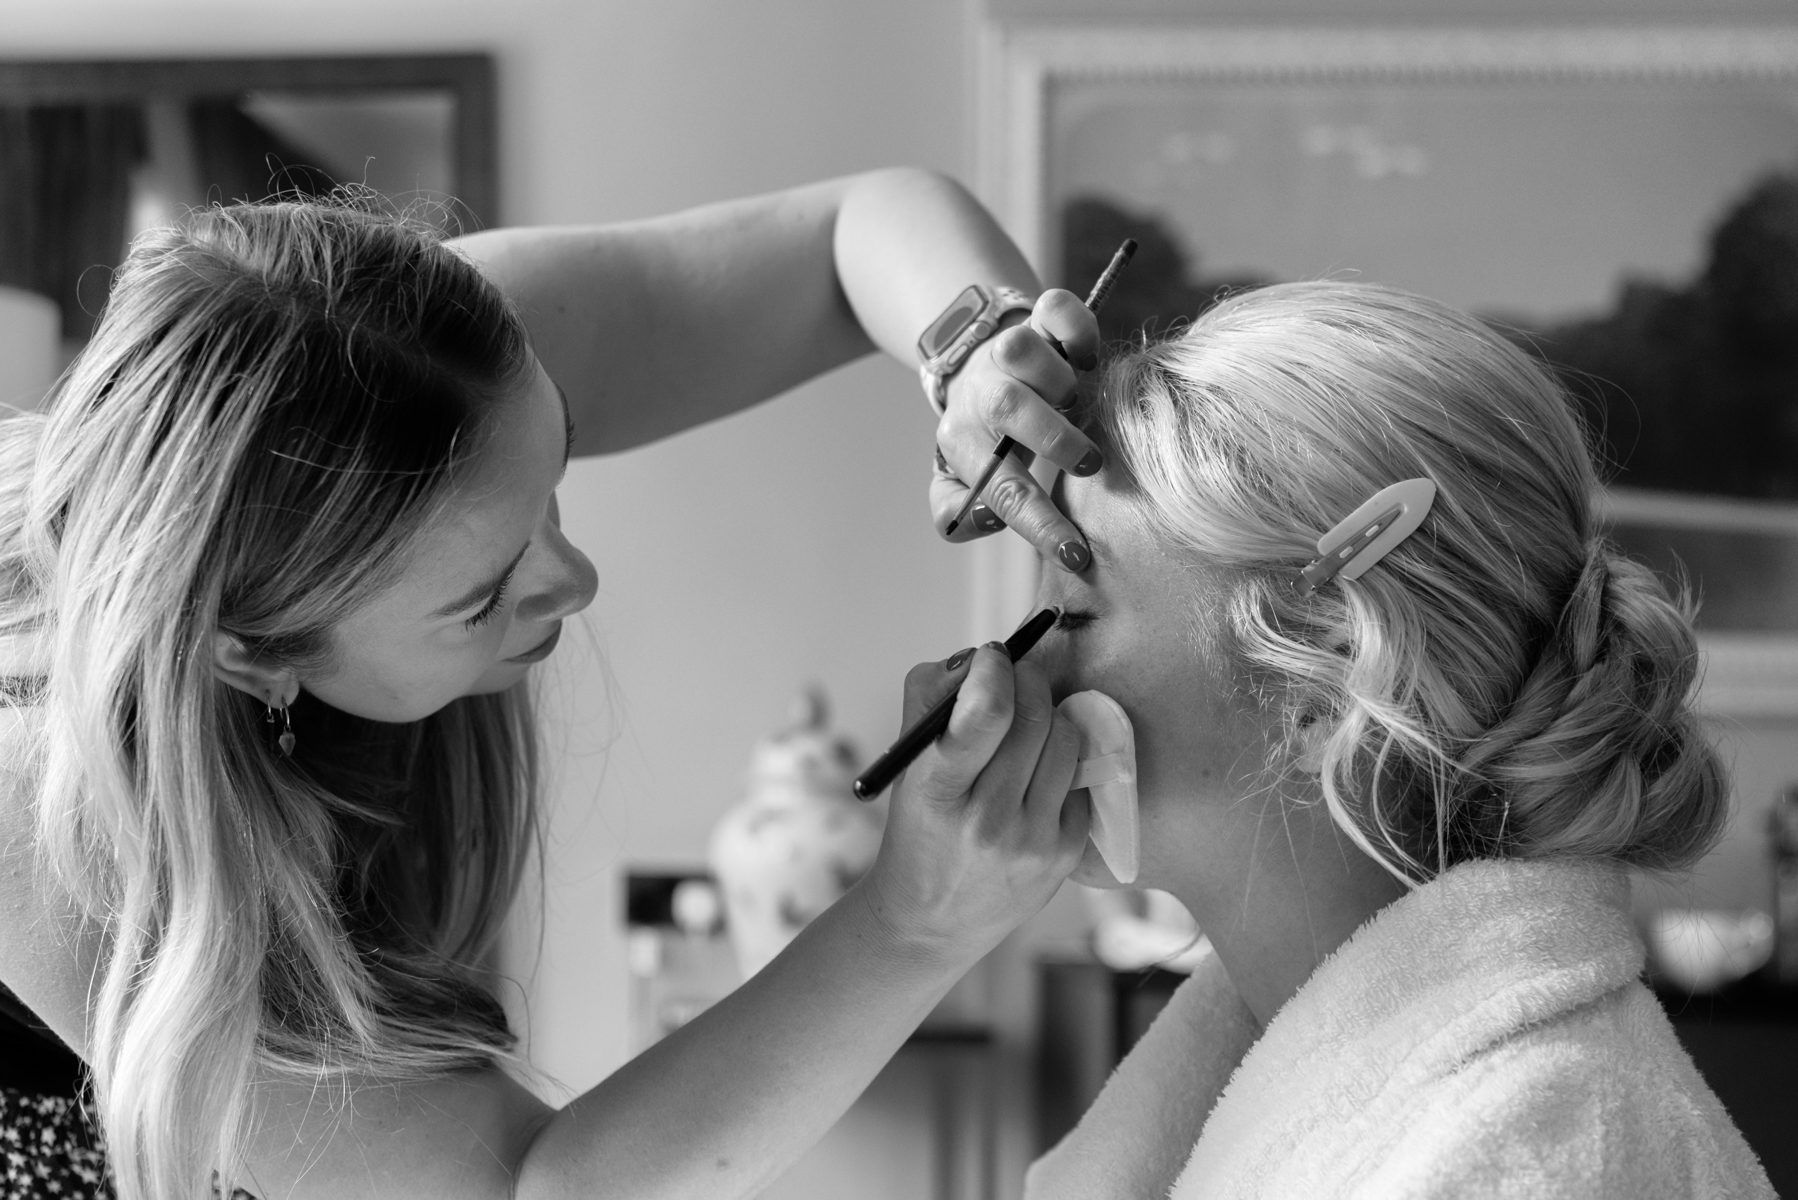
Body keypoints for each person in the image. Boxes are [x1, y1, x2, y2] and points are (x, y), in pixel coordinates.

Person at [0, 169, 1099, 1200]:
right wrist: (911, 922)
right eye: (481, 596)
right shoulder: (45, 830)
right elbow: (533, 1190)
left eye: (554, 470)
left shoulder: (387, 365)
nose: (576, 583)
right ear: (254, 653)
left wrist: (979, 357)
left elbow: (856, 227)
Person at [1022, 281, 1775, 1199]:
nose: (1020, 675)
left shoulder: (1544, 1149)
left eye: (1070, 614)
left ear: (1329, 682)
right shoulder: (1274, 1086)